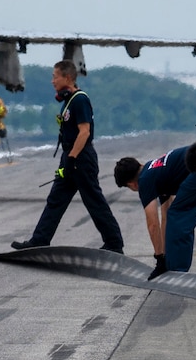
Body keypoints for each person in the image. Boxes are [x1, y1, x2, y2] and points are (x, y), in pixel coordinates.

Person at [13, 60, 123, 252]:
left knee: (94, 201)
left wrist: (72, 158)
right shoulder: (68, 101)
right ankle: (39, 240)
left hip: (80, 159)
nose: (52, 81)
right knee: (55, 199)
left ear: (68, 78)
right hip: (70, 157)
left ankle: (114, 243)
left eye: (55, 76)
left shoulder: (80, 100)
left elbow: (85, 132)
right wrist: (67, 159)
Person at [115, 144, 196, 278]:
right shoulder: (158, 169)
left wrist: (159, 258)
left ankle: (177, 272)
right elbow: (165, 217)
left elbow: (153, 223)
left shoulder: (144, 180)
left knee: (179, 218)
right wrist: (164, 254)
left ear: (131, 184)